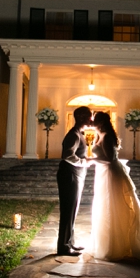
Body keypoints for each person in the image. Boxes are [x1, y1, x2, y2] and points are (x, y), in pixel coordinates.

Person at [90, 111, 140, 263]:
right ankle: (108, 242)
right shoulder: (100, 135)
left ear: (101, 123)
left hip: (111, 174)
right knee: (105, 207)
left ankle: (118, 245)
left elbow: (110, 159)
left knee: (115, 206)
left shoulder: (106, 136)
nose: (91, 123)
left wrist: (90, 160)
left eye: (94, 121)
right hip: (103, 174)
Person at [56, 106, 93, 256]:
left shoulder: (79, 133)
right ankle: (64, 247)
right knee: (68, 210)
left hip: (75, 175)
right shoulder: (74, 135)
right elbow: (67, 155)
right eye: (89, 117)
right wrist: (85, 162)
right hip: (69, 175)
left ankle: (70, 242)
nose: (91, 120)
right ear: (81, 117)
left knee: (73, 210)